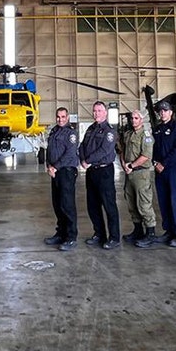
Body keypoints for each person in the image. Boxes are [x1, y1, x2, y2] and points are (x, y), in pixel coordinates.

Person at [80, 101, 121, 249]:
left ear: (105, 113)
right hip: (91, 171)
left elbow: (104, 150)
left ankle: (114, 237)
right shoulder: (91, 129)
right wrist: (83, 160)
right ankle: (99, 234)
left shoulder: (109, 131)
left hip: (104, 171)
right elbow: (82, 146)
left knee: (109, 205)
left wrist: (88, 160)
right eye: (95, 111)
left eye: (99, 111)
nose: (97, 113)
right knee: (93, 205)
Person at [151, 100, 176, 248]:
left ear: (171, 113)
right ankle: (168, 231)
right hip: (160, 170)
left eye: (165, 111)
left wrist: (163, 163)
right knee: (164, 201)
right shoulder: (158, 129)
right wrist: (155, 162)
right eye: (160, 111)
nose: (162, 113)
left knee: (175, 200)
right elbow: (154, 149)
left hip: (173, 170)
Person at [118, 109, 157, 247]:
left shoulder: (145, 136)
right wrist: (124, 164)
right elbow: (122, 150)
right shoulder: (128, 134)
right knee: (131, 202)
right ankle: (138, 230)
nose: (133, 120)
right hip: (130, 173)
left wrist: (132, 165)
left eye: (136, 118)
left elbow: (146, 156)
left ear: (141, 120)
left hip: (141, 174)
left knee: (144, 203)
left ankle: (150, 233)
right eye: (132, 118)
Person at [45, 107, 80, 251]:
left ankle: (71, 237)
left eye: (63, 116)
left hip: (66, 171)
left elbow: (70, 153)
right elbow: (49, 150)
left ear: (68, 117)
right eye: (58, 116)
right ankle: (61, 233)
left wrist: (55, 167)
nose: (60, 119)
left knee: (67, 205)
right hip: (55, 173)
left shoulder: (71, 133)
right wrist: (49, 166)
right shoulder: (54, 131)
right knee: (57, 204)